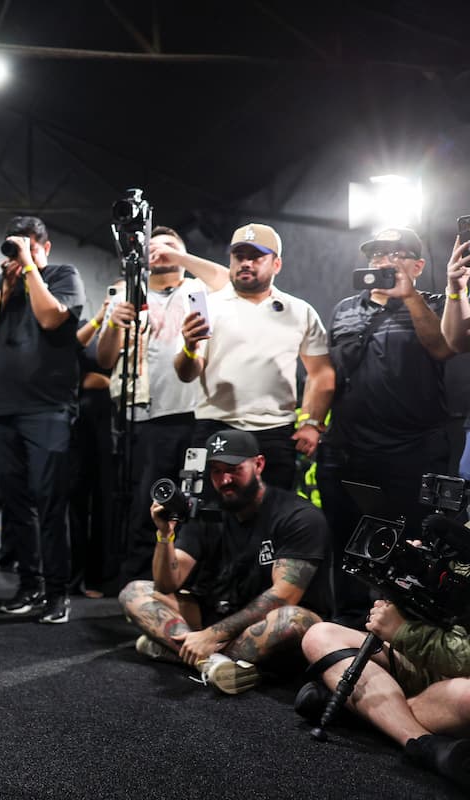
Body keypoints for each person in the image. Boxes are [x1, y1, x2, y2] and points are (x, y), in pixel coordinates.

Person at [118, 429, 331, 694]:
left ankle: (173, 650)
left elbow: (283, 596)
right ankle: (214, 664)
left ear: (259, 465)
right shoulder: (209, 511)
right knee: (135, 592)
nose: (225, 479)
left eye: (234, 469)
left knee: (294, 620)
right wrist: (164, 534)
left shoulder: (297, 516)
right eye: (216, 471)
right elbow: (166, 584)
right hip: (218, 613)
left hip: (264, 624)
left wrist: (211, 636)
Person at [317, 227, 457, 625]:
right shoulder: (344, 309)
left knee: (412, 547)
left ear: (418, 265)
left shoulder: (431, 305)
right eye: (377, 253)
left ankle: (406, 636)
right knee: (347, 548)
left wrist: (409, 295)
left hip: (410, 455)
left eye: (396, 254)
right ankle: (346, 631)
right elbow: (331, 374)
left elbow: (443, 347)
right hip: (349, 453)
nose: (384, 260)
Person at [97, 226, 229, 583]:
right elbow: (105, 358)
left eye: (169, 246)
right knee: (145, 501)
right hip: (144, 414)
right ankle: (139, 581)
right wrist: (112, 324)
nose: (160, 252)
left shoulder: (197, 290)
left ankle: (189, 580)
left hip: (195, 410)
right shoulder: (127, 291)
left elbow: (226, 277)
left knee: (195, 500)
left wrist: (180, 256)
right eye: (152, 248)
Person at [0, 214, 85, 623]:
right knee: (16, 504)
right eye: (15, 246)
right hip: (2, 408)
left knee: (49, 502)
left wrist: (32, 269)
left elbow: (51, 317)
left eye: (30, 246)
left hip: (48, 409)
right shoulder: (0, 283)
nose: (21, 254)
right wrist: (5, 285)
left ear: (45, 246)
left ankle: (57, 593)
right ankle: (28, 585)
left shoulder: (62, 274)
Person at [174, 223, 335, 489]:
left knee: (274, 515)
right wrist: (190, 346)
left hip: (275, 431)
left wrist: (312, 423)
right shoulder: (207, 306)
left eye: (256, 256)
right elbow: (186, 373)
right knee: (208, 516)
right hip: (216, 425)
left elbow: (322, 373)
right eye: (239, 256)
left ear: (276, 264)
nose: (245, 263)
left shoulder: (299, 311)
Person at [300, 602, 470, 792]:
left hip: (458, 678)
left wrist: (402, 631)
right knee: (320, 635)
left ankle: (363, 712)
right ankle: (418, 739)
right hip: (421, 660)